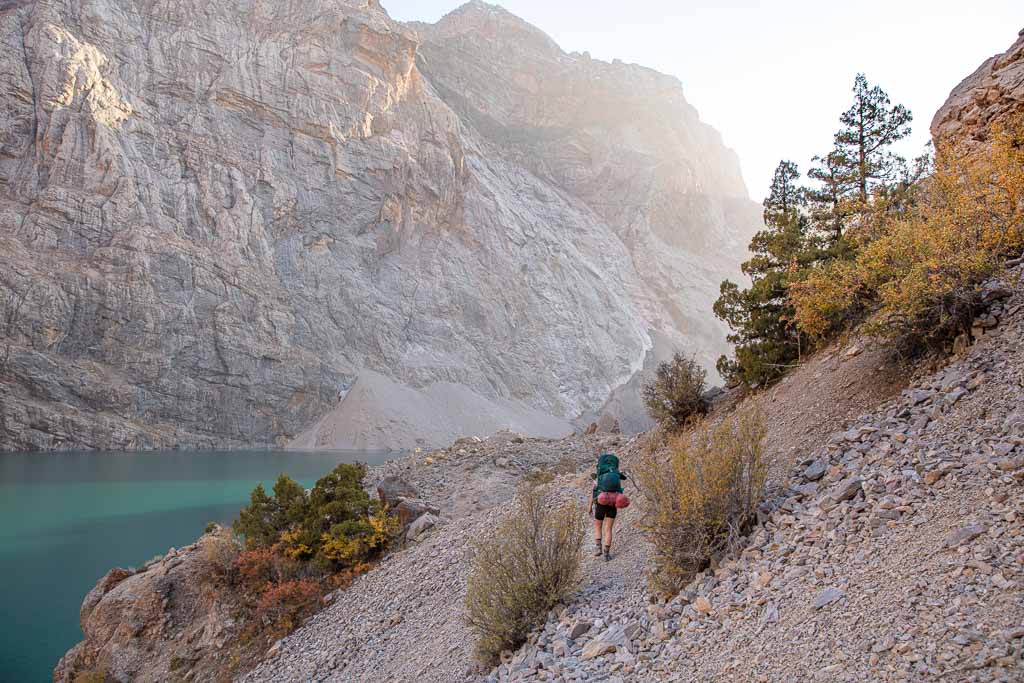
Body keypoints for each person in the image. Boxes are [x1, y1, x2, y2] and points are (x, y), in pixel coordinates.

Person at [590, 453, 626, 562]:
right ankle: (606, 554)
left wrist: (590, 507)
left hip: (601, 503)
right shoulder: (616, 474)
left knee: (598, 526)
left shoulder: (599, 477)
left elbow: (593, 493)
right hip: (612, 504)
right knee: (608, 529)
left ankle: (598, 548)